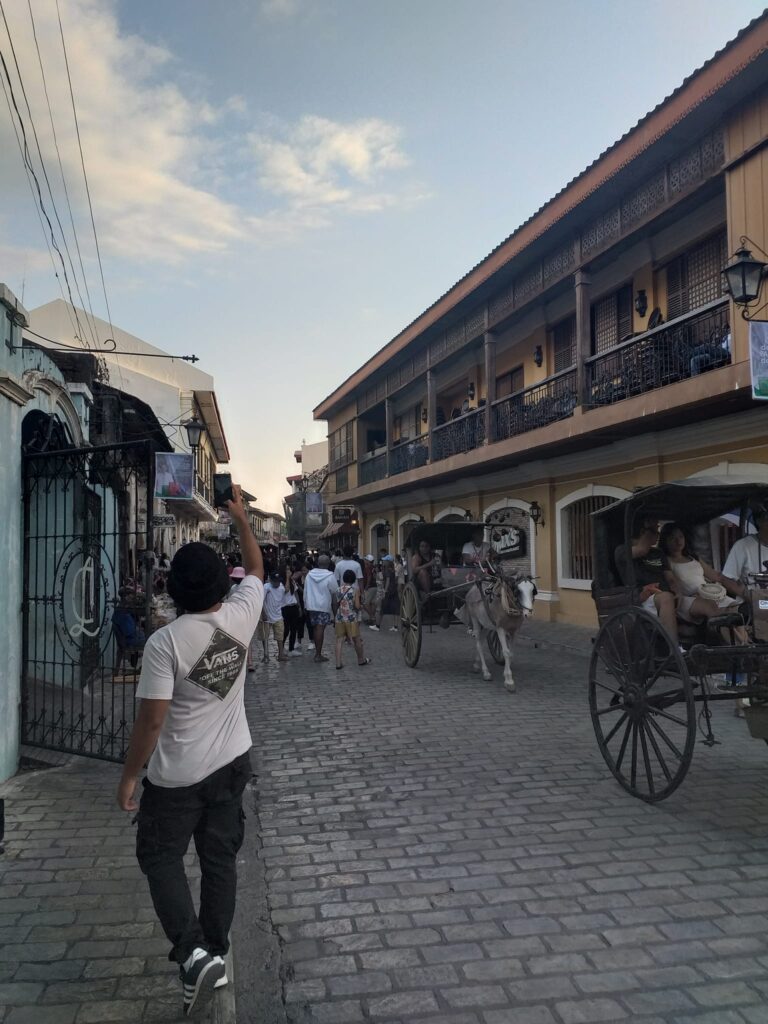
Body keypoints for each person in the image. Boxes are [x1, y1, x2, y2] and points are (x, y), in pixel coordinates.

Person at [117, 485, 263, 1019]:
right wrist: (242, 519)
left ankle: (194, 952)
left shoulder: (166, 642)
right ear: (223, 585)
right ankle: (214, 955)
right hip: (232, 766)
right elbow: (256, 570)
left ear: (171, 587)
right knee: (219, 859)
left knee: (159, 857)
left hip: (176, 778)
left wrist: (129, 777)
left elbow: (152, 721)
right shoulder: (242, 616)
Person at [659, 522, 745, 626]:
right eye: (673, 538)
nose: (678, 541)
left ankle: (743, 640)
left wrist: (742, 591)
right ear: (665, 540)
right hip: (687, 598)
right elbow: (672, 583)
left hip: (707, 593)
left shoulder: (693, 557)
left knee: (735, 607)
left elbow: (717, 576)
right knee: (711, 606)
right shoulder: (665, 561)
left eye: (680, 537)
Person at [614, 516, 680, 645]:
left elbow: (670, 579)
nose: (658, 534)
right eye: (656, 530)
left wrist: (679, 593)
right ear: (644, 533)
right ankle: (674, 650)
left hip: (666, 595)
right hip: (643, 600)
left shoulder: (658, 553)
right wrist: (649, 530)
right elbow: (641, 550)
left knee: (701, 603)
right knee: (666, 597)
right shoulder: (622, 551)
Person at [723, 505, 768, 592]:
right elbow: (727, 580)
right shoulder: (742, 546)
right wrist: (747, 596)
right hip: (751, 601)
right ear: (759, 521)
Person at [303, 555, 339, 662]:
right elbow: (334, 591)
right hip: (323, 606)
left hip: (311, 605)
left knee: (315, 628)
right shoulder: (330, 576)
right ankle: (318, 654)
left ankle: (317, 653)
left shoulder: (309, 574)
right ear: (328, 564)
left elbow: (305, 590)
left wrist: (305, 604)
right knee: (320, 629)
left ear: (318, 563)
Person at [334, 569, 371, 669]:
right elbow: (357, 606)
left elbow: (335, 604)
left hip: (339, 617)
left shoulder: (338, 590)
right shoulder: (355, 590)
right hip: (351, 618)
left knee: (339, 640)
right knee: (356, 639)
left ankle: (338, 663)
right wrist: (361, 607)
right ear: (354, 579)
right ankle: (361, 659)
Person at [260, 573, 288, 662]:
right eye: (275, 581)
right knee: (265, 636)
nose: (277, 583)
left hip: (278, 615)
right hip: (266, 616)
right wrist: (263, 613)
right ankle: (266, 655)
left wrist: (288, 576)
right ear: (271, 581)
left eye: (278, 581)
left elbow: (286, 590)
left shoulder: (281, 587)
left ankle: (281, 654)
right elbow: (260, 600)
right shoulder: (266, 587)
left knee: (280, 636)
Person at [281, 569, 303, 656]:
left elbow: (295, 594)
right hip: (285, 608)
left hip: (293, 607)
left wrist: (299, 606)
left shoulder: (292, 581)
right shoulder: (281, 582)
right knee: (286, 629)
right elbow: (286, 590)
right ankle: (281, 647)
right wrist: (287, 577)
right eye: (287, 570)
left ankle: (291, 649)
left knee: (294, 629)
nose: (289, 571)